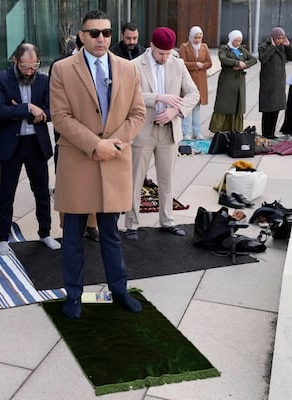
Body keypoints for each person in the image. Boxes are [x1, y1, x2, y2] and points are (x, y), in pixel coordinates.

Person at [49, 10, 146, 318]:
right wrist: (95, 145)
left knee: (111, 234)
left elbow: (138, 114)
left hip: (114, 160)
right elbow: (61, 117)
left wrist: (113, 143)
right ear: (81, 35)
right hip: (78, 160)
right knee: (73, 235)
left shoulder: (128, 69)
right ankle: (74, 295)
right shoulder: (63, 69)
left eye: (106, 33)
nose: (101, 38)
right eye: (94, 33)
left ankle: (119, 289)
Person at [124, 27, 200, 240]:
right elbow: (129, 94)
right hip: (142, 131)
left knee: (166, 179)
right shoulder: (134, 65)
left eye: (168, 53)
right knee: (135, 179)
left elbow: (194, 93)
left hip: (169, 131)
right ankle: (131, 224)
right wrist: (158, 97)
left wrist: (176, 110)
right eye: (161, 54)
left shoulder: (178, 63)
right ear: (151, 46)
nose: (165, 58)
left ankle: (167, 220)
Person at [0, 43, 60, 255]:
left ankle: (45, 233)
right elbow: (0, 111)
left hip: (36, 143)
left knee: (41, 191)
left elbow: (52, 110)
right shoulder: (1, 79)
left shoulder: (43, 80)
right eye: (25, 67)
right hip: (11, 143)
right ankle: (3, 237)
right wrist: (28, 108)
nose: (30, 71)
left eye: (34, 66)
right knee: (6, 193)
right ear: (15, 61)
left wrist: (37, 112)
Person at [49, 36, 100, 242]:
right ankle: (69, 227)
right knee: (69, 186)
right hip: (68, 137)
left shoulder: (98, 64)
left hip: (93, 135)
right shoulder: (59, 66)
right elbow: (56, 106)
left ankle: (91, 224)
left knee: (92, 183)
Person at [209, 30, 258, 133]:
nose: (238, 43)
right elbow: (223, 59)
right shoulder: (224, 48)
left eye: (239, 41)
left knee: (237, 104)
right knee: (224, 103)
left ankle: (235, 128)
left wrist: (245, 64)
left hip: (239, 81)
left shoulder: (242, 50)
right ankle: (219, 127)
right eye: (236, 41)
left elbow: (254, 59)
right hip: (227, 81)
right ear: (231, 39)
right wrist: (237, 63)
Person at [258, 27, 292, 139]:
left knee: (276, 108)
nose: (281, 40)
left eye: (282, 38)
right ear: (273, 38)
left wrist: (288, 45)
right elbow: (263, 59)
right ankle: (266, 133)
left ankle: (272, 133)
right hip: (268, 82)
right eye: (279, 38)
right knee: (268, 109)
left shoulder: (283, 47)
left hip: (279, 82)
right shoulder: (264, 47)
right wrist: (272, 47)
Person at [178, 25, 213, 140]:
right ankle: (185, 132)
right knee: (188, 107)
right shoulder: (184, 47)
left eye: (199, 37)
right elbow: (181, 62)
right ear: (191, 37)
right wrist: (195, 65)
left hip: (201, 81)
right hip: (189, 79)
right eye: (196, 37)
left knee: (197, 107)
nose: (197, 40)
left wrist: (203, 65)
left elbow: (209, 62)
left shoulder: (204, 47)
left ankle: (197, 131)